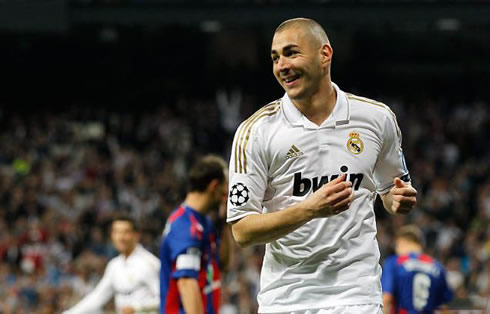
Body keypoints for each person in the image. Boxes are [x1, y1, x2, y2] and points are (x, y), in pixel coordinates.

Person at [226, 17, 418, 314]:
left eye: (291, 53)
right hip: (286, 298)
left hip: (357, 294)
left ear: (324, 54)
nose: (281, 65)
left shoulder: (377, 119)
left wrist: (397, 201)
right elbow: (242, 231)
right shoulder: (256, 132)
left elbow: (390, 191)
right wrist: (308, 209)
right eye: (275, 57)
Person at [160, 155, 231, 314]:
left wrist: (224, 221)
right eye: (225, 186)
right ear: (214, 186)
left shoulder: (204, 222)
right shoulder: (184, 226)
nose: (227, 193)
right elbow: (186, 282)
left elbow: (222, 264)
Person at [64, 216, 160, 314]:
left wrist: (137, 308)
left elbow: (166, 298)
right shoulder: (115, 265)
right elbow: (98, 296)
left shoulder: (150, 264)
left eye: (125, 232)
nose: (120, 237)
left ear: (136, 235)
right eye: (117, 232)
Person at [381, 225, 453, 313]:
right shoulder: (438, 267)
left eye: (397, 245)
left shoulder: (394, 263)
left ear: (402, 242)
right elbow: (444, 305)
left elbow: (387, 298)